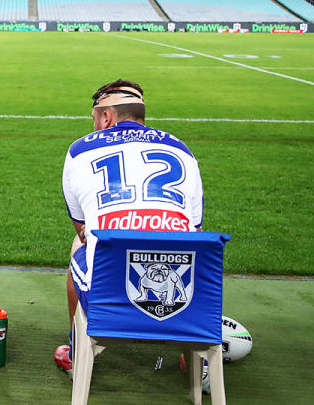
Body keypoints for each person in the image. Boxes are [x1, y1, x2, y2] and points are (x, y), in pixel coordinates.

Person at [54, 79, 203, 375]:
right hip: (184, 297)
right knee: (189, 243)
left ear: (106, 116)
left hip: (111, 293)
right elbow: (195, 229)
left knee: (81, 243)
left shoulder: (80, 150)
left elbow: (82, 228)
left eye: (95, 117)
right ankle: (196, 351)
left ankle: (77, 349)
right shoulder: (181, 148)